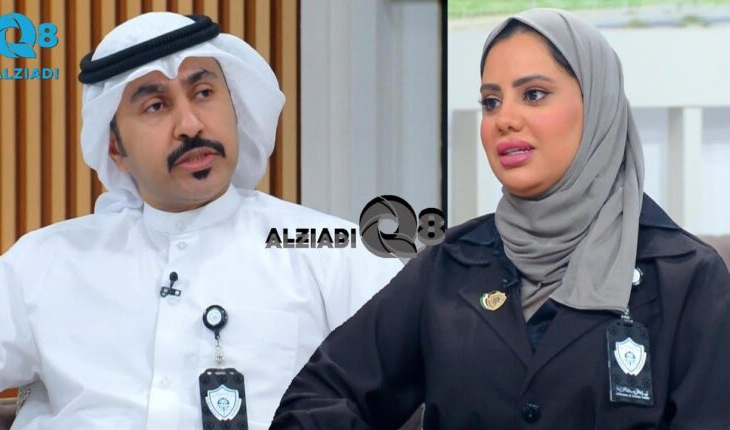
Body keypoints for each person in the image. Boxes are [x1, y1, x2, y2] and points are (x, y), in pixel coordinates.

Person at [271, 8, 730, 429]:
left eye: (534, 94)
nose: (504, 119)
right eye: (491, 102)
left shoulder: (686, 278)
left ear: (598, 106)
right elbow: (316, 398)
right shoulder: (450, 265)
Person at [0, 12, 402, 429]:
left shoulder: (330, 249)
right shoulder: (48, 262)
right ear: (115, 149)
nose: (190, 125)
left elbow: (421, 371)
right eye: (156, 105)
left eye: (203, 93)